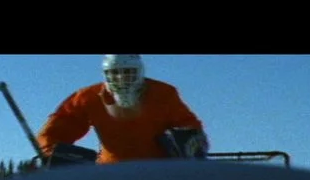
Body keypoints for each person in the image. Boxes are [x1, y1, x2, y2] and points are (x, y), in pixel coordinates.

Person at [36, 55, 209, 165]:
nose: (121, 78)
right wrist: (51, 153)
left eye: (128, 72)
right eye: (114, 73)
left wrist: (190, 143)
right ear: (106, 74)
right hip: (110, 174)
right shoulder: (89, 97)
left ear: (139, 72)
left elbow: (189, 127)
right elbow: (58, 128)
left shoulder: (163, 93)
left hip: (158, 171)